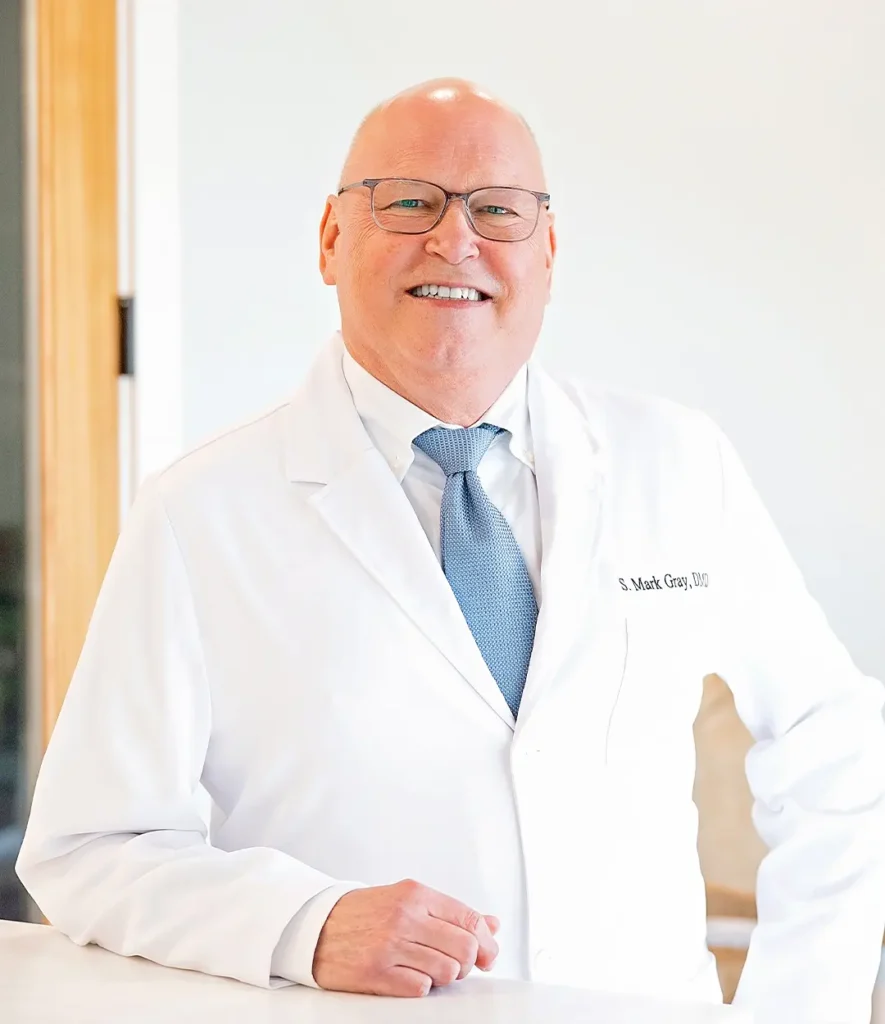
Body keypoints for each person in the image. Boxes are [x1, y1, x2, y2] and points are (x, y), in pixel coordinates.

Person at [16, 78, 885, 1023]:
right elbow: (90, 847)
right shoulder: (199, 512)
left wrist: (799, 1005)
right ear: (329, 239)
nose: (454, 240)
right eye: (407, 201)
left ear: (548, 251)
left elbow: (835, 748)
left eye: (499, 211)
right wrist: (304, 923)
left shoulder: (677, 462)